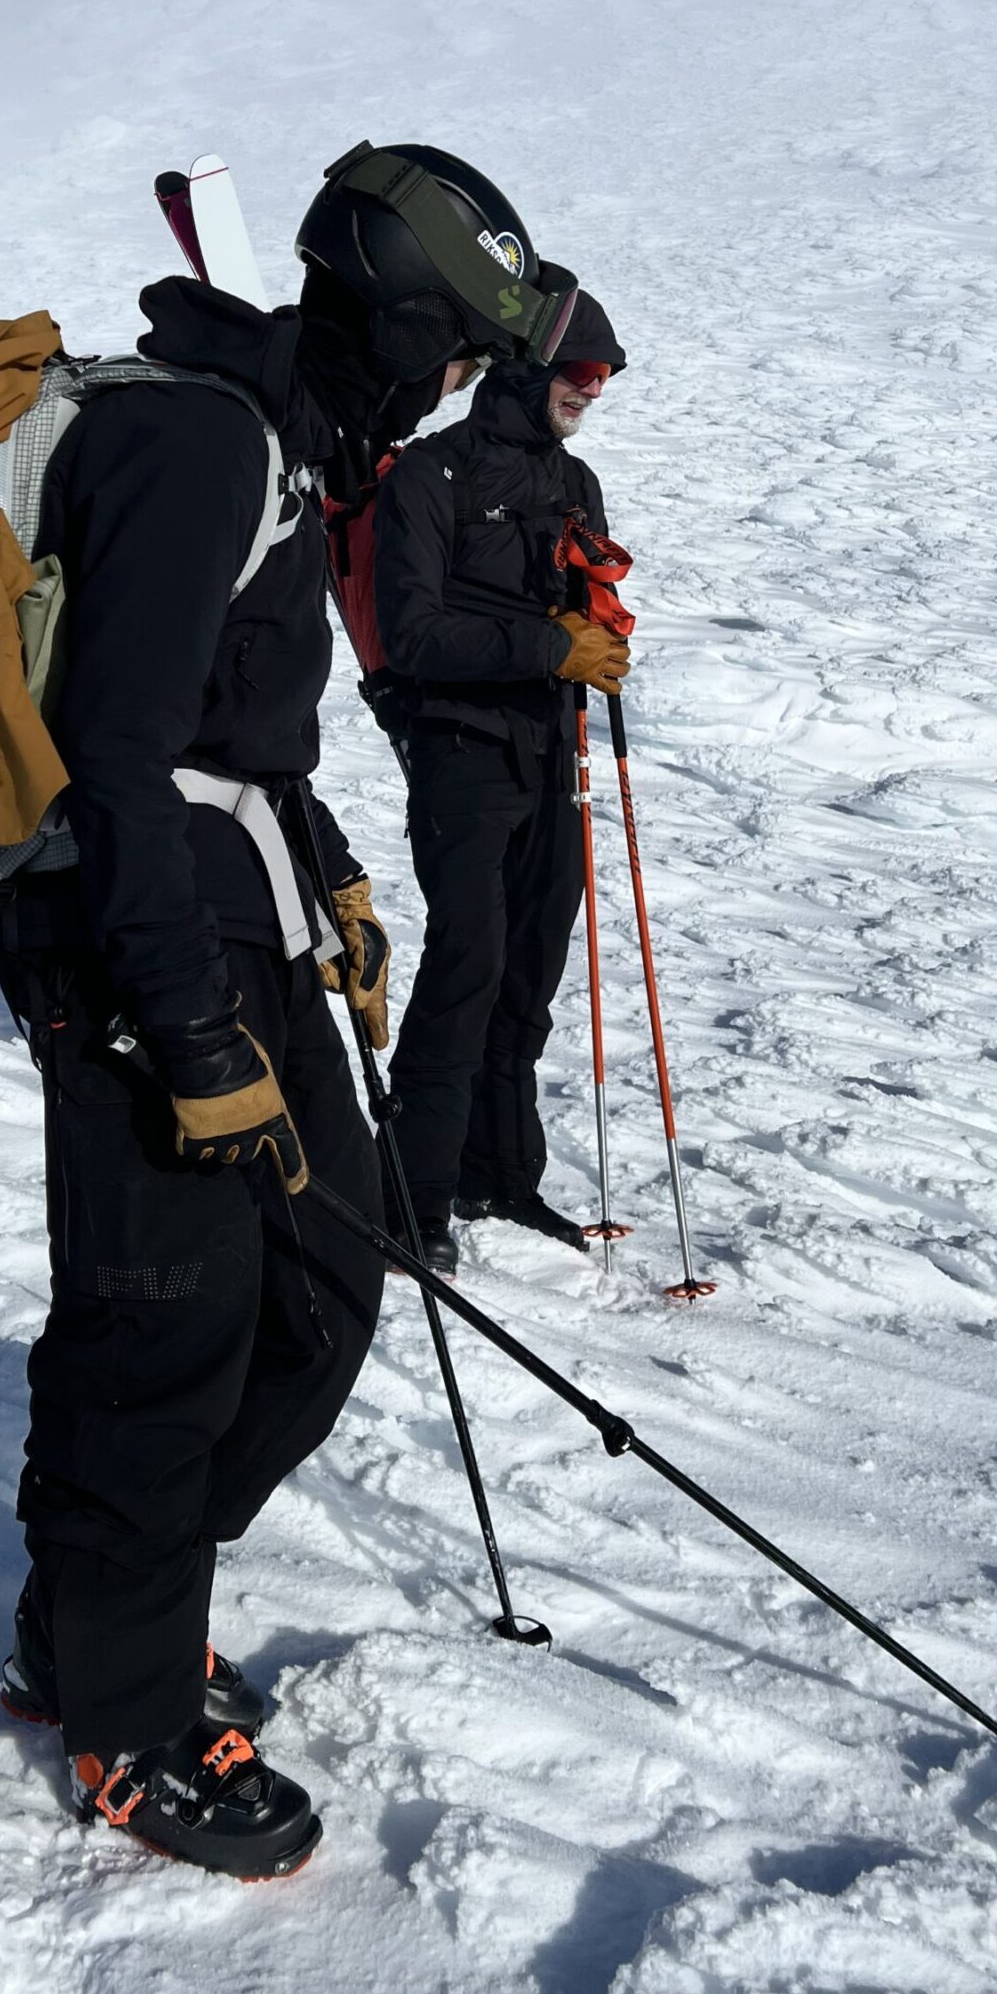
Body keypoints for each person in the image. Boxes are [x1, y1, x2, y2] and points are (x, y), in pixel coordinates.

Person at [0, 138, 581, 1878]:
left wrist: (327, 875)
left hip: (234, 914)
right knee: (162, 1325)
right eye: (452, 349)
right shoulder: (199, 441)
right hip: (135, 934)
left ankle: (102, 1606)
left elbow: (235, 729)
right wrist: (184, 1025)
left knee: (328, 1283)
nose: (456, 384)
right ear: (393, 322)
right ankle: (120, 1716)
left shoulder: (283, 451)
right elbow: (114, 748)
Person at [372, 292, 630, 1268]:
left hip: (551, 751)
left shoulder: (576, 484)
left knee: (530, 970)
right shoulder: (428, 477)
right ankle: (412, 1198)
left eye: (603, 377)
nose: (591, 391)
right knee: (467, 967)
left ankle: (499, 1175)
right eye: (580, 371)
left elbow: (582, 615)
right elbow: (413, 635)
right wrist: (551, 647)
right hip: (460, 753)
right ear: (526, 367)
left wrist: (601, 632)